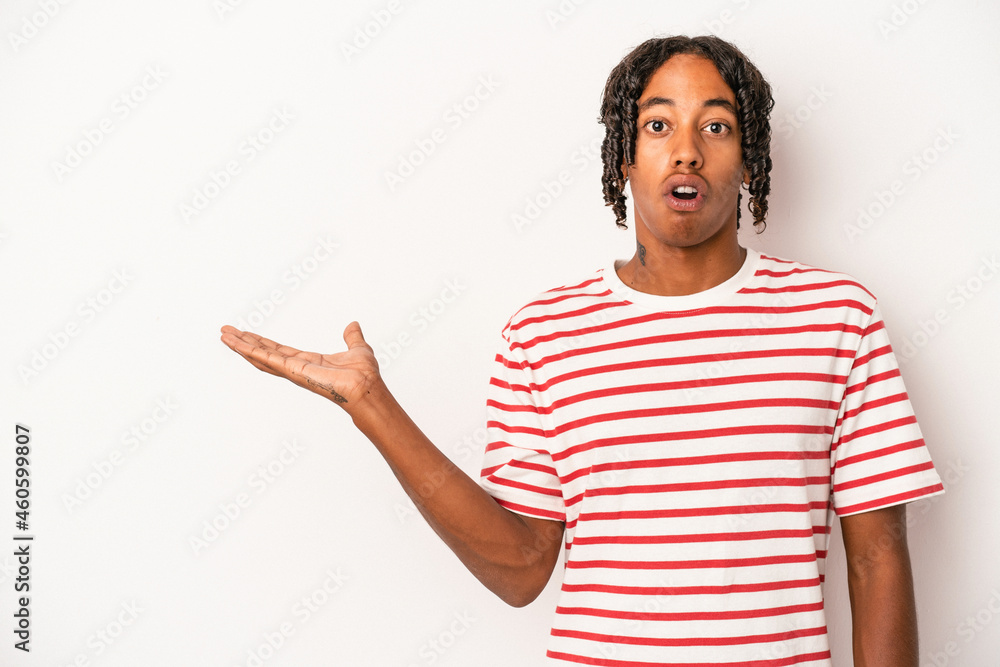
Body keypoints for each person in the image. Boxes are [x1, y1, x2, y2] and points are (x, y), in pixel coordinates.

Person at [221, 35, 945, 666]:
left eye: (716, 126)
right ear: (623, 158)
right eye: (657, 124)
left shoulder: (836, 319)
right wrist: (374, 407)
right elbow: (521, 567)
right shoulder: (545, 333)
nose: (686, 148)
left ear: (749, 159)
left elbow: (877, 557)